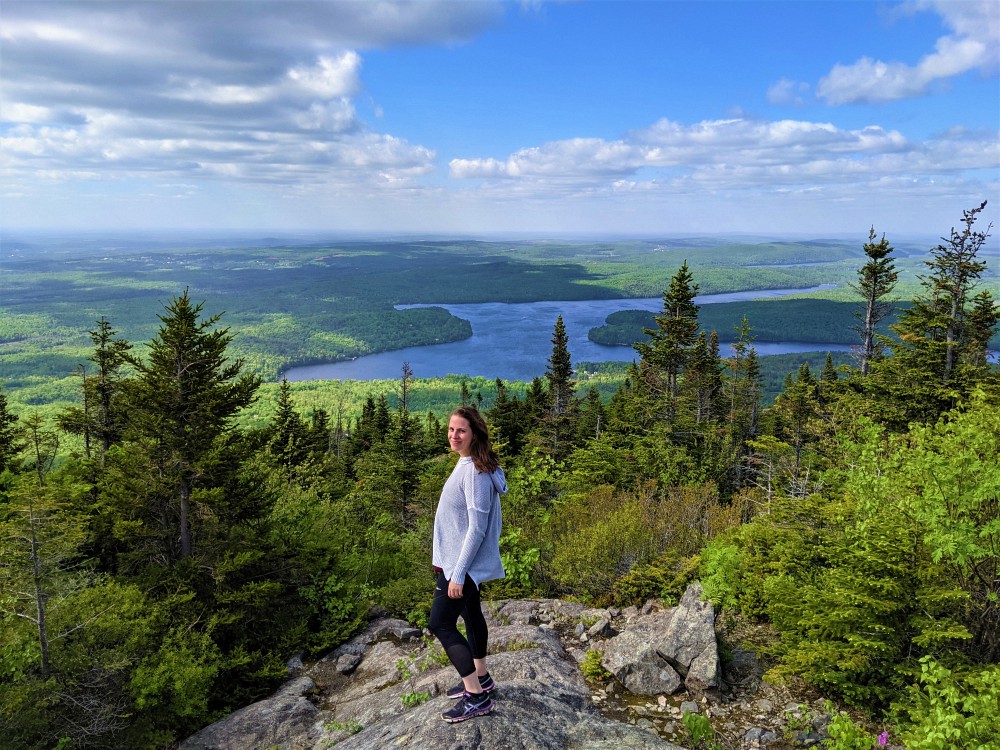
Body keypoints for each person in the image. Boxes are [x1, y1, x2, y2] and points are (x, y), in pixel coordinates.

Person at [429, 405, 507, 723]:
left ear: (474, 433)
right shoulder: (468, 464)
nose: (453, 435)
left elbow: (476, 528)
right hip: (454, 563)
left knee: (441, 624)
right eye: (451, 429)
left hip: (459, 567)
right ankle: (482, 677)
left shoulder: (475, 471)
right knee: (471, 616)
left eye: (460, 430)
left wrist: (458, 573)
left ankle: (475, 696)